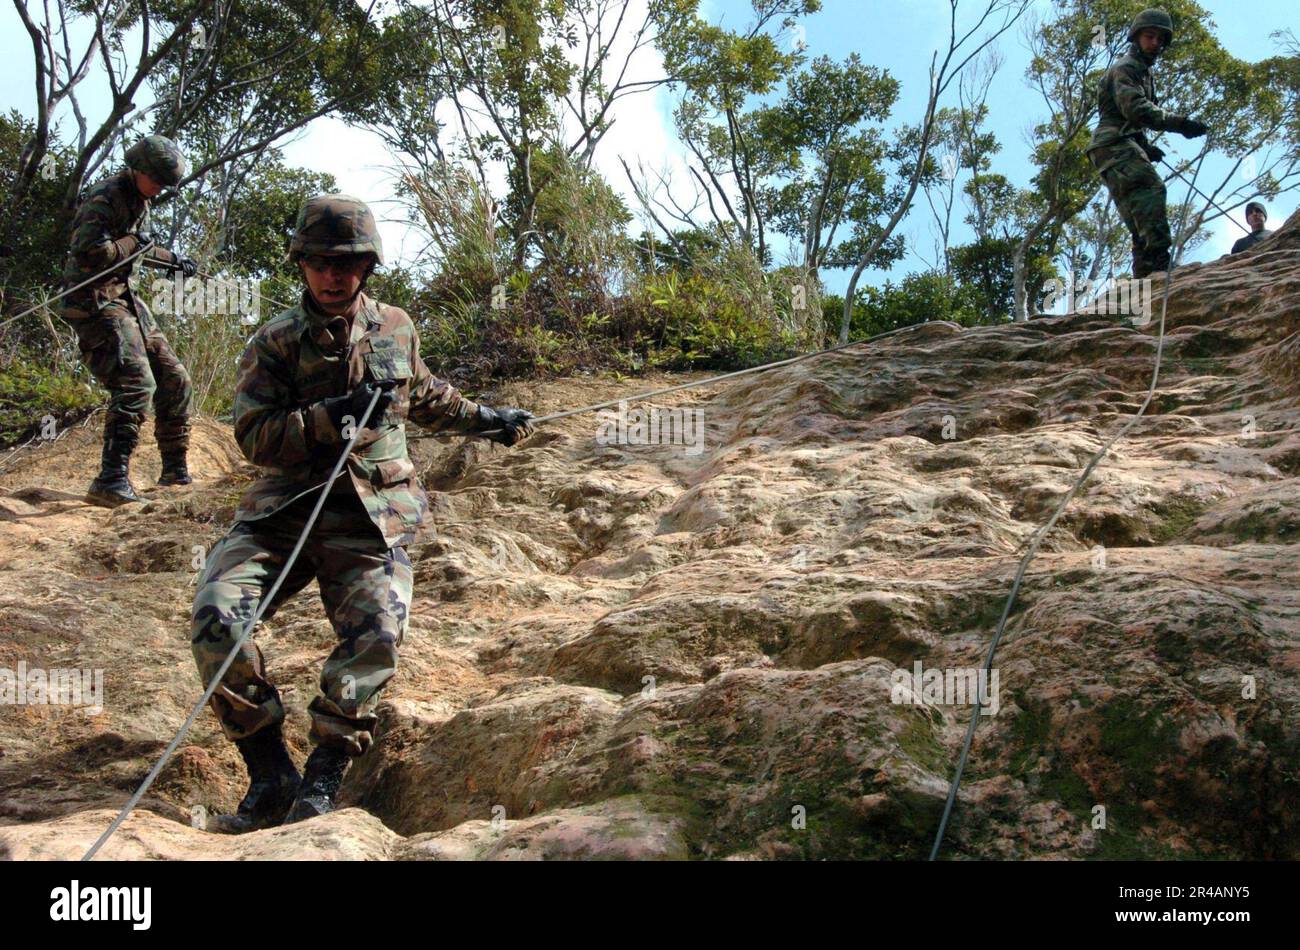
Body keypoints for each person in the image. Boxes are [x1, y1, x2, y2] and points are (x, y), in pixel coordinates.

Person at [191, 194, 536, 833]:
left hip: (371, 516)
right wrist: (333, 418)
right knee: (216, 617)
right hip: (284, 513)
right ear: (301, 265)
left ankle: (322, 780)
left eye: (347, 262)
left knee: (377, 634)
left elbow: (426, 395)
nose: (334, 275)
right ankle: (268, 774)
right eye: (320, 262)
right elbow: (254, 435)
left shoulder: (396, 326)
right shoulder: (273, 342)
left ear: (368, 266)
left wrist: (488, 420)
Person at [61, 134, 198, 507]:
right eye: (154, 180)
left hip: (124, 298)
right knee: (137, 382)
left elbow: (139, 244)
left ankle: (174, 470)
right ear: (136, 169)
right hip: (93, 301)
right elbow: (90, 252)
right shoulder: (105, 196)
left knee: (174, 377)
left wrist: (174, 259)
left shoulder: (140, 199)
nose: (157, 190)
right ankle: (110, 479)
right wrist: (134, 245)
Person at [1086, 8, 1210, 278]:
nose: (1155, 43)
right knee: (1152, 189)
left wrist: (1144, 146)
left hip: (1113, 144)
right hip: (1113, 142)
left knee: (1136, 209)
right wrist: (1180, 124)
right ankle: (1157, 260)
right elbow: (1136, 110)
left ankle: (1144, 269)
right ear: (1136, 37)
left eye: (1160, 39)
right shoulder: (1127, 68)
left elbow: (1130, 118)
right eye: (1149, 36)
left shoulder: (1143, 72)